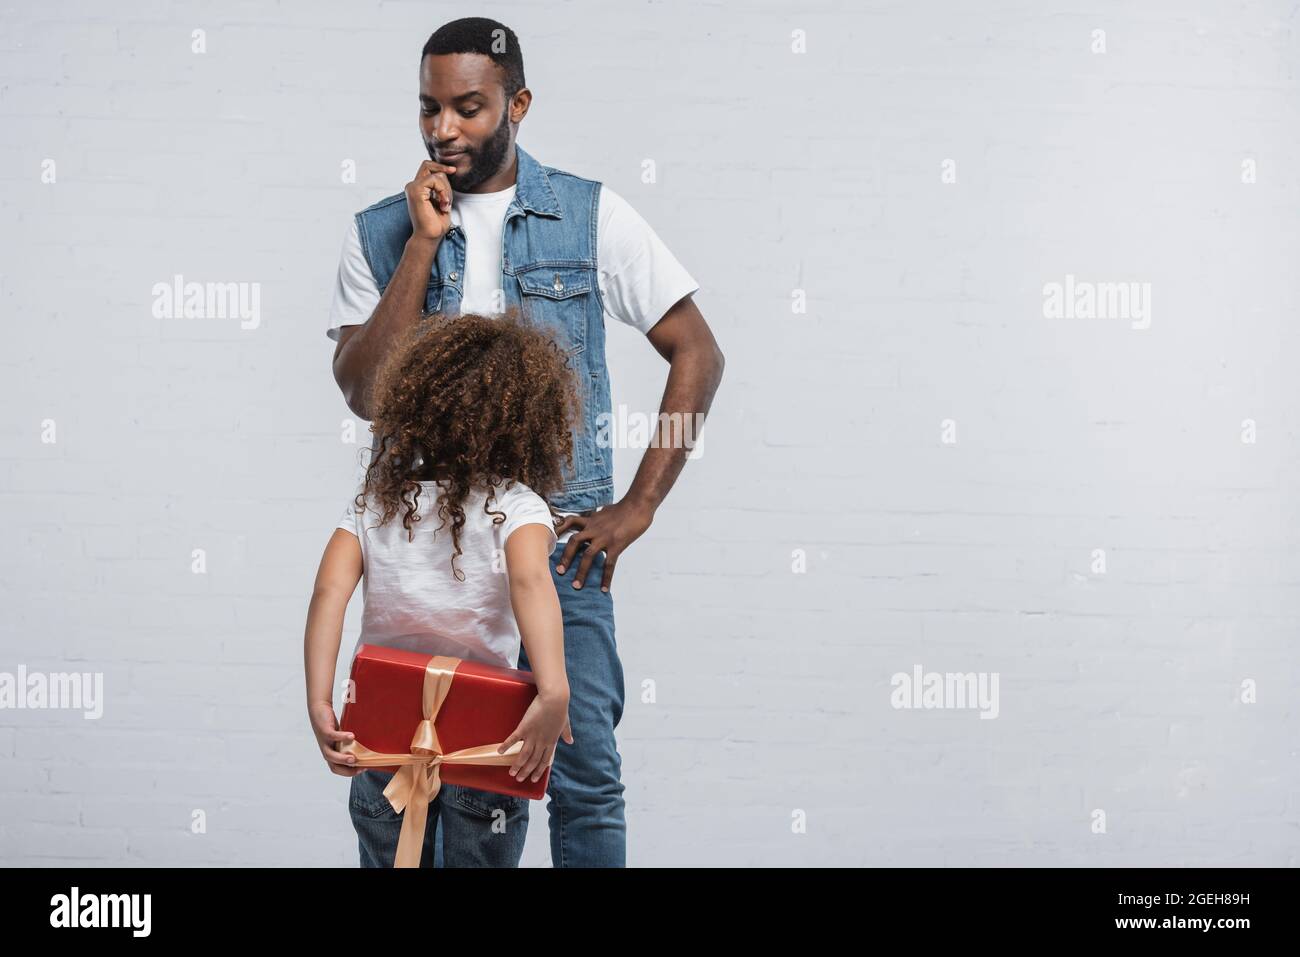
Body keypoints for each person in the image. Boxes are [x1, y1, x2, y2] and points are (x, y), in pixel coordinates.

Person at [326, 17, 726, 866]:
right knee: (428, 763)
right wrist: (420, 246)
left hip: (561, 535)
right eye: (430, 108)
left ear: (519, 103)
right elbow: (364, 391)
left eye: (468, 107)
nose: (444, 129)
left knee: (582, 768)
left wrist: (638, 507)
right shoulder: (376, 231)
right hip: (427, 537)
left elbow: (699, 351)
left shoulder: (589, 216)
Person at [304, 311, 578, 867]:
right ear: (525, 419)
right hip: (489, 737)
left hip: (382, 735)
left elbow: (327, 595)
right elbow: (529, 582)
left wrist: (319, 701)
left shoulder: (373, 506)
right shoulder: (516, 506)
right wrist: (554, 690)